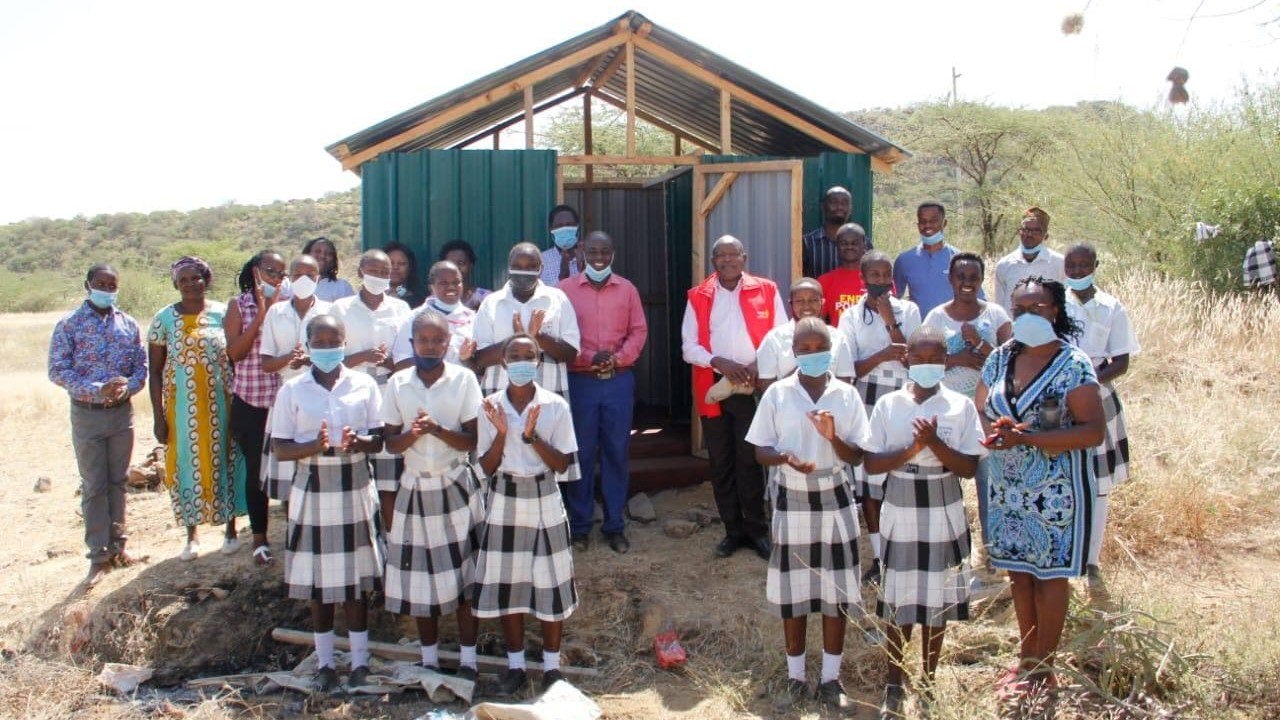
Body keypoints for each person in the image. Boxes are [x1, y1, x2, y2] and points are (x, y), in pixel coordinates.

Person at [974, 276, 1104, 707]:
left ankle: (1044, 669)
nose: (1028, 315)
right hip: (1008, 487)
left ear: (1055, 311)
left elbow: (1092, 431)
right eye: (1020, 308)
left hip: (1055, 491)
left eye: (1037, 307)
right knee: (1020, 573)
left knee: (1049, 575)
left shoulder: (1074, 364)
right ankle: (1026, 657)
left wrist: (1027, 440)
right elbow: (982, 405)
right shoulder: (999, 358)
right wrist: (994, 433)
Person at [745, 318, 868, 711]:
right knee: (794, 594)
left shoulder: (847, 395)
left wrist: (833, 438)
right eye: (806, 349)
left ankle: (831, 680)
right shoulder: (778, 394)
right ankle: (796, 678)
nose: (814, 355)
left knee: (837, 594)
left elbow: (858, 455)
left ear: (831, 349)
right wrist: (784, 457)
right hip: (792, 497)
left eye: (821, 348)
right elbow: (760, 450)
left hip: (835, 495)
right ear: (794, 353)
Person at [863, 327, 986, 719]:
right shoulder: (889, 405)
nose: (927, 365)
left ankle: (929, 681)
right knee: (899, 597)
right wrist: (913, 448)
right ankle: (894, 683)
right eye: (920, 359)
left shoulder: (959, 406)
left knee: (937, 595)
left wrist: (935, 444)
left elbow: (968, 467)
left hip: (943, 501)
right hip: (900, 500)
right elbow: (872, 463)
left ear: (946, 361)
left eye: (936, 359)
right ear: (907, 360)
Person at [271, 314, 385, 692]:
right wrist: (315, 446)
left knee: (354, 582)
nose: (327, 349)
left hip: (353, 481)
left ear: (345, 342)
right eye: (319, 344)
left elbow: (380, 439)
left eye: (334, 341)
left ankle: (360, 661)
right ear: (307, 346)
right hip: (313, 482)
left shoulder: (364, 384)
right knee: (318, 583)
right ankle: (323, 663)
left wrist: (360, 442)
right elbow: (281, 447)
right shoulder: (292, 390)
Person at [474, 334, 580, 696]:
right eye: (514, 355)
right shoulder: (489, 406)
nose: (521, 361)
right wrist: (504, 435)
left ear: (539, 361)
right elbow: (485, 467)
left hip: (544, 495)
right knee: (510, 584)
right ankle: (516, 666)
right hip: (504, 497)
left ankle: (552, 668)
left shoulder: (555, 406)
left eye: (528, 355)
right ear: (503, 362)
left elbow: (563, 464)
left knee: (550, 580)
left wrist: (533, 437)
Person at [381, 310, 485, 680]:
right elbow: (390, 443)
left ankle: (469, 660)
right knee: (420, 578)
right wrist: (413, 434)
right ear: (412, 344)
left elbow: (473, 440)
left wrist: (438, 430)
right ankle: (429, 659)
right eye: (423, 340)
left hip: (455, 483)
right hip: (414, 486)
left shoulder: (464, 380)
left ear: (448, 343)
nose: (430, 346)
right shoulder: (397, 383)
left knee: (465, 575)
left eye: (438, 340)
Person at [681, 235, 787, 561]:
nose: (727, 260)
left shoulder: (766, 290)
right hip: (714, 387)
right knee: (721, 461)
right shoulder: (699, 296)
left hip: (751, 386)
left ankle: (756, 530)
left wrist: (756, 366)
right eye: (720, 256)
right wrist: (719, 361)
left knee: (750, 460)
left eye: (733, 254)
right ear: (713, 262)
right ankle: (732, 530)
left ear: (744, 257)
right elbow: (689, 347)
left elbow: (780, 336)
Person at [48, 263, 148, 586]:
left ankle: (119, 548)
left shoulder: (128, 325)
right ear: (87, 285)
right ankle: (98, 556)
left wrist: (126, 386)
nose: (107, 289)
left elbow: (140, 368)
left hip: (121, 414)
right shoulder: (69, 325)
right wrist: (95, 389)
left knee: (118, 481)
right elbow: (58, 370)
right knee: (94, 484)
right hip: (87, 413)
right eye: (100, 283)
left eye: (112, 284)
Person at [922, 252, 1012, 592]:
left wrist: (980, 344)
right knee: (947, 485)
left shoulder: (996, 315)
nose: (967, 283)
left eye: (973, 277)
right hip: (947, 413)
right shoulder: (936, 316)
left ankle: (991, 558)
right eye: (961, 277)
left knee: (990, 485)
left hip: (987, 413)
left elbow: (1011, 360)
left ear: (982, 278)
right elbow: (922, 361)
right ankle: (949, 556)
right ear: (951, 279)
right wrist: (956, 357)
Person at [147, 256, 246, 561]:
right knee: (185, 465)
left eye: (196, 278)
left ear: (207, 280)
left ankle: (230, 531)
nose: (190, 284)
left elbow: (235, 357)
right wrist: (158, 419)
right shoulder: (163, 320)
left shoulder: (223, 313)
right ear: (175, 284)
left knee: (227, 459)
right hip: (182, 408)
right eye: (184, 280)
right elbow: (155, 372)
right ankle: (191, 536)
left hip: (223, 402)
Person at [558, 231, 649, 554]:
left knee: (615, 452)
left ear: (613, 253)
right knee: (580, 455)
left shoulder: (627, 290)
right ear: (582, 252)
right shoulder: (564, 291)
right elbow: (558, 334)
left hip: (617, 381)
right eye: (593, 251)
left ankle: (614, 525)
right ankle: (580, 526)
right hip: (580, 382)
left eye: (605, 252)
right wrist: (586, 357)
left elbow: (638, 331)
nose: (599, 258)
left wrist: (617, 358)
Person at [838, 251, 922, 584]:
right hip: (867, 400)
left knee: (902, 475)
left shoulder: (910, 310)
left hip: (902, 399)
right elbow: (850, 369)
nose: (881, 281)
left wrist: (890, 320)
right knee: (870, 481)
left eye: (886, 275)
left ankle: (905, 552)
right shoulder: (850, 316)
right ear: (863, 279)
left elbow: (914, 360)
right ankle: (879, 556)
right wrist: (884, 354)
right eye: (874, 275)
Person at [1063, 243, 1140, 586]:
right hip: (1059, 396)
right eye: (1072, 265)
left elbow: (1121, 361)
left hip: (1098, 395)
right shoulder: (1054, 304)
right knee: (1063, 477)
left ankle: (1091, 560)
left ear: (1095, 265)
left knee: (1097, 483)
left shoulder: (1111, 307)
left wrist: (1089, 381)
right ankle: (1066, 554)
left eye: (1084, 265)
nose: (1078, 271)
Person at [332, 249, 412, 528]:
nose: (379, 277)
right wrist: (363, 356)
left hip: (390, 392)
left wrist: (387, 361)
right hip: (350, 394)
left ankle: (391, 538)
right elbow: (329, 359)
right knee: (356, 466)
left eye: (384, 272)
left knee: (389, 474)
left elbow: (406, 359)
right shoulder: (340, 309)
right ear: (360, 272)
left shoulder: (400, 309)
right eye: (373, 271)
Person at [224, 250, 288, 566]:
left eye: (280, 273)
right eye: (270, 271)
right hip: (250, 402)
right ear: (254, 271)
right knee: (256, 472)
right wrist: (261, 315)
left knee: (290, 465)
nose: (275, 278)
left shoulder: (289, 305)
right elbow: (235, 353)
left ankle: (294, 531)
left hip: (283, 401)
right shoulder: (238, 306)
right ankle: (260, 539)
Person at [260, 255, 332, 502]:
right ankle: (294, 529)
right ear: (289, 279)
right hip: (287, 394)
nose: (304, 280)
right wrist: (290, 358)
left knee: (320, 461)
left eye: (310, 276)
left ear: (318, 279)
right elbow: (266, 364)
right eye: (298, 275)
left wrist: (310, 360)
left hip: (322, 393)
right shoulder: (276, 313)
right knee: (290, 465)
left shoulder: (329, 312)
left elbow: (337, 358)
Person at [474, 243, 581, 400]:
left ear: (541, 268)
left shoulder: (558, 300)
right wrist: (517, 340)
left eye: (531, 266)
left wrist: (538, 338)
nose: (523, 272)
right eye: (517, 266)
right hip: (499, 396)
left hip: (549, 397)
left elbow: (571, 354)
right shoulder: (491, 303)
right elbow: (480, 359)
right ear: (509, 267)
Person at [756, 277, 854, 393]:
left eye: (813, 300)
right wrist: (806, 367)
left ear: (822, 302)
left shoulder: (837, 337)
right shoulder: (774, 339)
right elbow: (767, 387)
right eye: (799, 301)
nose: (807, 306)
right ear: (791, 304)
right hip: (788, 409)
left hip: (827, 409)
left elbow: (844, 383)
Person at [894, 202, 981, 317]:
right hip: (919, 331)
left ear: (944, 223)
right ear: (918, 225)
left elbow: (978, 299)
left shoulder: (960, 260)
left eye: (934, 221)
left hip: (953, 329)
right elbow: (894, 300)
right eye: (923, 221)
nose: (928, 225)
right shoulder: (904, 260)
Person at [393, 260, 478, 372]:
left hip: (462, 387)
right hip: (425, 387)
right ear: (432, 287)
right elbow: (401, 361)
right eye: (443, 283)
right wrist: (435, 369)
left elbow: (480, 366)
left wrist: (466, 358)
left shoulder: (473, 319)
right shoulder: (416, 317)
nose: (451, 287)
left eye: (456, 282)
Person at [993, 207, 1065, 311]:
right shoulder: (1004, 265)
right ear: (1019, 232)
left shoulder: (1059, 263)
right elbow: (999, 308)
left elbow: (1066, 304)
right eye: (1025, 229)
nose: (1029, 234)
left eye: (1036, 231)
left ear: (1046, 236)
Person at [803, 186, 871, 279]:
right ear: (823, 206)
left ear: (850, 209)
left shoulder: (864, 243)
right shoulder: (807, 243)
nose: (839, 207)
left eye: (844, 203)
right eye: (834, 202)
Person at [816, 223, 870, 326]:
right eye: (844, 243)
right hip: (839, 340)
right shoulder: (825, 281)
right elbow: (818, 323)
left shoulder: (879, 278)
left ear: (864, 245)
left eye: (855, 243)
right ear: (837, 246)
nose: (849, 247)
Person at [438, 240, 491, 311]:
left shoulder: (486, 298)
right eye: (450, 263)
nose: (455, 268)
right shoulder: (436, 301)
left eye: (461, 263)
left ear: (471, 266)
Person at [303, 237, 355, 302]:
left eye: (329, 254)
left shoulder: (342, 287)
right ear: (307, 254)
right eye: (317, 251)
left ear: (333, 260)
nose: (322, 256)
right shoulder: (292, 284)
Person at [541, 205, 582, 285]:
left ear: (577, 226)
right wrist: (563, 277)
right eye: (559, 226)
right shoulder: (541, 261)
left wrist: (584, 270)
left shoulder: (589, 258)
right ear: (551, 229)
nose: (564, 229)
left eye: (569, 224)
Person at [384, 241, 424, 307]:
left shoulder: (419, 303)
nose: (395, 267)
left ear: (410, 268)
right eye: (391, 263)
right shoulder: (371, 297)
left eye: (402, 263)